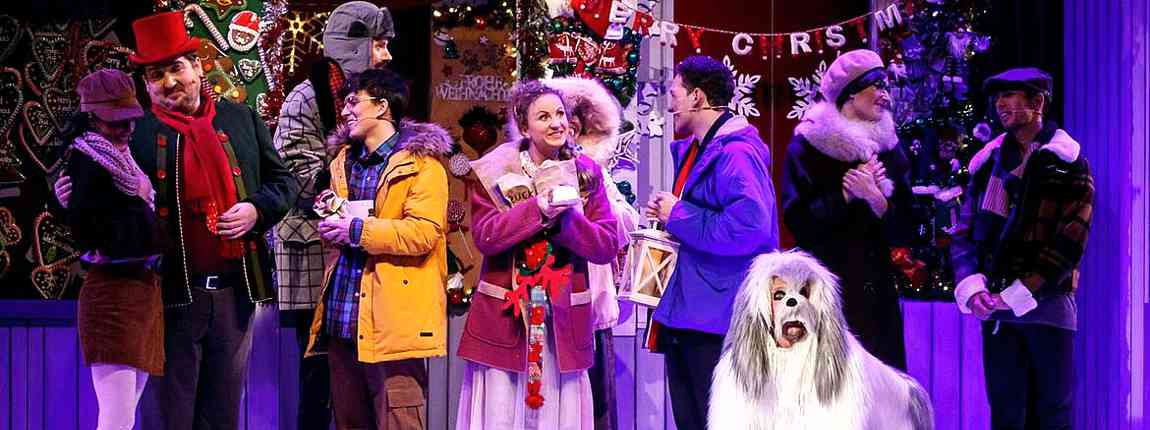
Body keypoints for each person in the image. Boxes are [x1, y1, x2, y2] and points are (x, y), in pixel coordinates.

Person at [52, 11, 297, 429]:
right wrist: (63, 201)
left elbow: (284, 181)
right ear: (145, 85)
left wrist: (257, 209)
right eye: (155, 75)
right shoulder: (136, 132)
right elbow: (96, 201)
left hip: (236, 291)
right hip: (169, 295)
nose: (168, 82)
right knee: (169, 417)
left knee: (222, 415)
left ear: (198, 67)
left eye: (176, 69)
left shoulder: (241, 119)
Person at [455, 80, 621, 430]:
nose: (557, 123)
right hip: (506, 318)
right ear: (525, 126)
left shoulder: (586, 172)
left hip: (561, 319)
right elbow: (486, 236)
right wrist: (537, 210)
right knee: (502, 413)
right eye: (543, 117)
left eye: (560, 114)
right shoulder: (496, 169)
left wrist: (567, 219)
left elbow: (606, 244)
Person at [303, 68, 451, 430]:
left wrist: (355, 230)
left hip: (393, 324)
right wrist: (332, 226)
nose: (345, 111)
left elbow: (423, 233)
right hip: (341, 320)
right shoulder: (342, 163)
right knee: (349, 422)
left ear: (383, 106)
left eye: (354, 102)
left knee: (399, 419)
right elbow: (342, 230)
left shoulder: (422, 165)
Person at [273, 2, 395, 427]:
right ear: (355, 46)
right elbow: (293, 171)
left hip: (356, 248)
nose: (387, 55)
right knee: (317, 373)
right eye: (379, 45)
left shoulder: (374, 100)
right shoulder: (307, 97)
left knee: (354, 373)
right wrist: (350, 185)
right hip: (312, 249)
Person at [951, 67, 1093, 429]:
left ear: (1038, 102)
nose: (1000, 104)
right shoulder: (988, 164)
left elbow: (1070, 241)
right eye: (998, 97)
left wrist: (1021, 291)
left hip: (1048, 308)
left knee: (1051, 415)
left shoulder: (1066, 163)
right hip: (997, 311)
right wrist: (973, 286)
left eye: (1010, 95)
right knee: (1006, 414)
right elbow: (965, 230)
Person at [645, 55, 778, 430]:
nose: (670, 104)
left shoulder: (736, 153)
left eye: (675, 94)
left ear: (697, 97)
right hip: (693, 310)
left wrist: (678, 214)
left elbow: (750, 228)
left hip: (718, 317)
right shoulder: (699, 150)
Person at [781, 49, 912, 370]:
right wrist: (845, 193)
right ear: (851, 92)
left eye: (886, 87)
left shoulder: (890, 150)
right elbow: (798, 222)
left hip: (877, 292)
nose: (885, 95)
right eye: (877, 86)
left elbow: (910, 226)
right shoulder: (808, 146)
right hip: (825, 290)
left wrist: (877, 199)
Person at [64, 69, 163, 430]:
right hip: (111, 291)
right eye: (115, 122)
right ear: (92, 119)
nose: (126, 130)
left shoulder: (125, 160)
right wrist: (139, 199)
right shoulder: (87, 160)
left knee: (125, 415)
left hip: (142, 290)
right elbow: (99, 234)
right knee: (116, 418)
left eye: (130, 121)